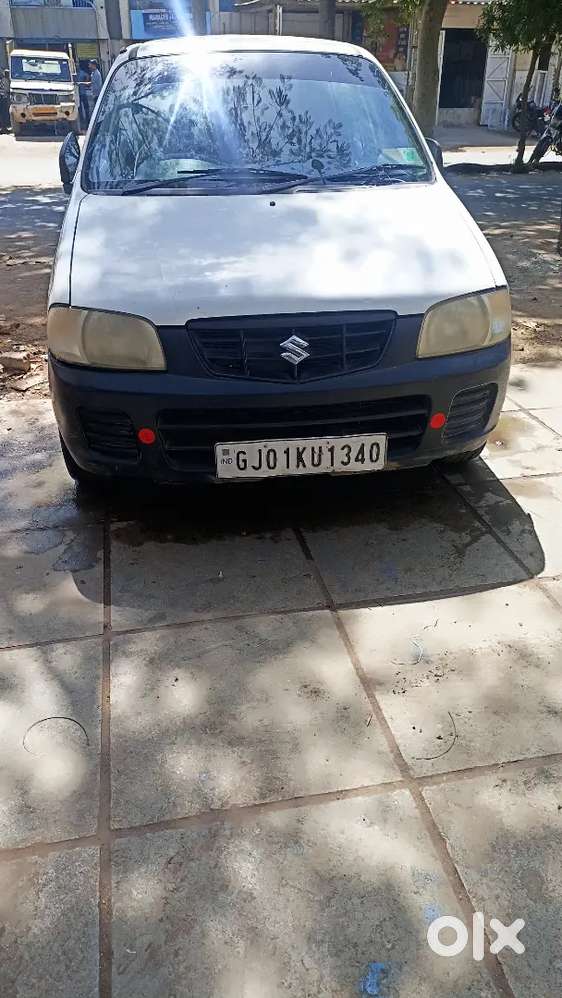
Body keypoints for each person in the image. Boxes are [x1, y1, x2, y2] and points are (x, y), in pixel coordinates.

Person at [77, 63, 91, 131]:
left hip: (83, 93)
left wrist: (85, 83)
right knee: (79, 109)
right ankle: (82, 122)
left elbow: (87, 76)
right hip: (77, 94)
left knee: (86, 108)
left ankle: (88, 121)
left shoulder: (82, 73)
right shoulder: (74, 73)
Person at [0, 69, 10, 134]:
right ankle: (3, 128)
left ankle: (3, 128)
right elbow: (7, 89)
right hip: (3, 98)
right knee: (4, 113)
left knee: (4, 113)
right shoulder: (5, 80)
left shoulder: (5, 80)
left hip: (3, 98)